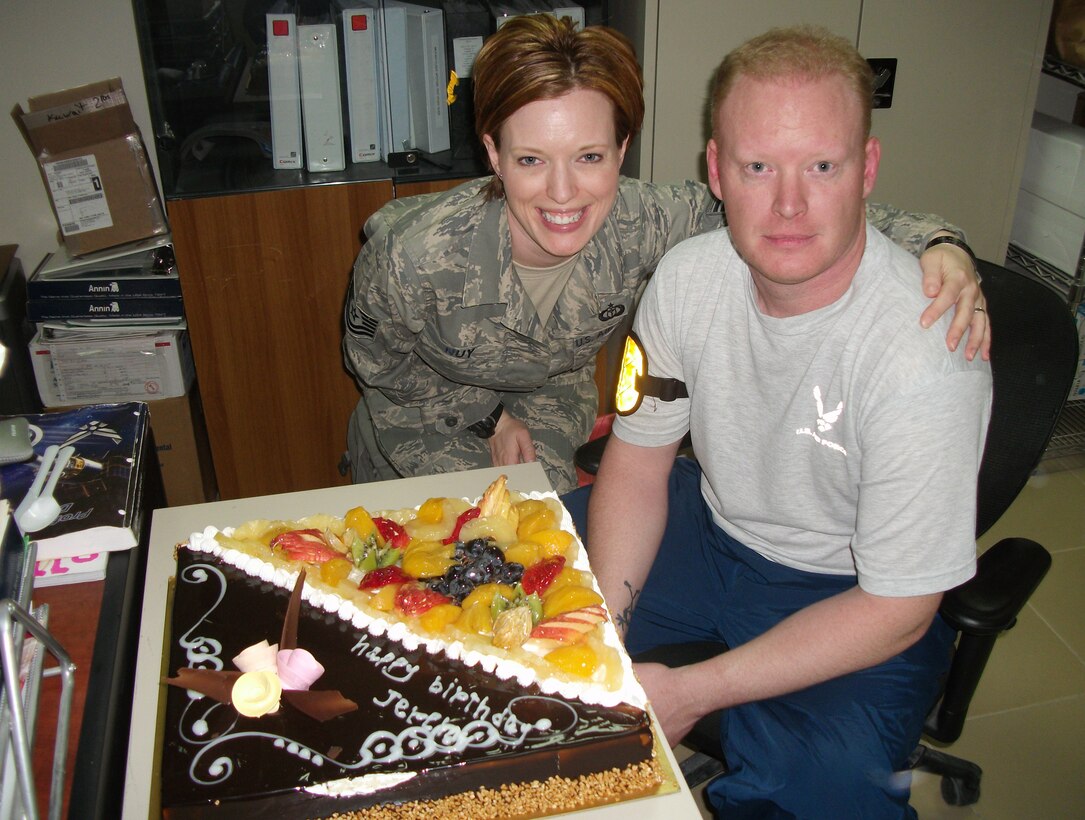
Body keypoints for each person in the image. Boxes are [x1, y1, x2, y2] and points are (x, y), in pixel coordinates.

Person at [564, 24, 993, 818]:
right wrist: (603, 629)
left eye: (820, 167)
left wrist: (692, 690)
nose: (788, 204)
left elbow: (899, 607)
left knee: (821, 792)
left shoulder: (926, 354)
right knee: (526, 589)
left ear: (865, 170)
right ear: (716, 171)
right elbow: (637, 462)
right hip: (710, 528)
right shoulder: (687, 279)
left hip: (853, 591)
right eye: (758, 166)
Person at [343, 14, 987, 495]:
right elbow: (379, 366)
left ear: (621, 152)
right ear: (493, 154)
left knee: (542, 573)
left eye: (589, 157)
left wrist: (939, 243)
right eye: (532, 160)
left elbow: (789, 211)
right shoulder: (415, 254)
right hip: (423, 415)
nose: (563, 194)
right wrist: (488, 416)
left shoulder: (644, 219)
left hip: (543, 408)